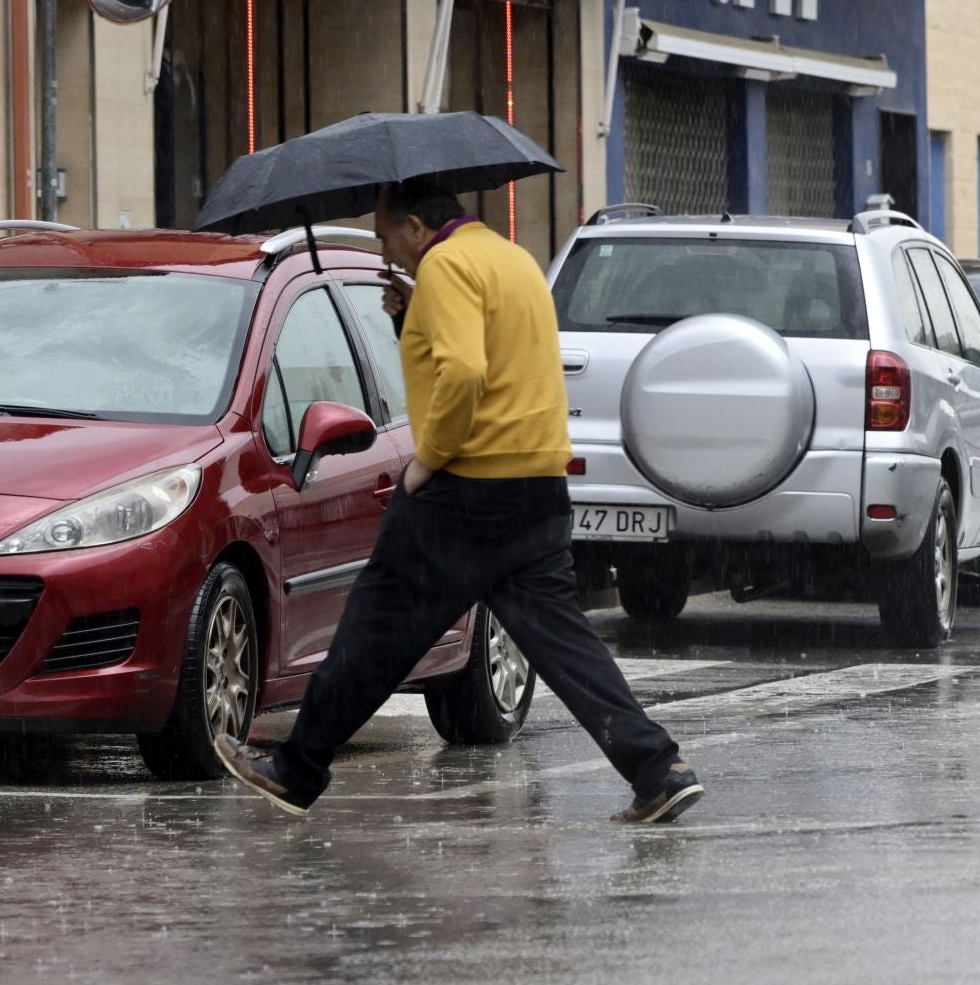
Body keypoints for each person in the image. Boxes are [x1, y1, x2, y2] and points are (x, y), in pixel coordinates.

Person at [217, 177, 703, 824]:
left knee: (374, 628)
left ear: (417, 225)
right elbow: (492, 358)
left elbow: (467, 374)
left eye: (389, 234)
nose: (388, 251)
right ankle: (657, 766)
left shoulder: (445, 267)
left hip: (466, 491)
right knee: (564, 643)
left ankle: (297, 768)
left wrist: (428, 460)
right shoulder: (511, 258)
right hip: (536, 483)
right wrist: (407, 317)